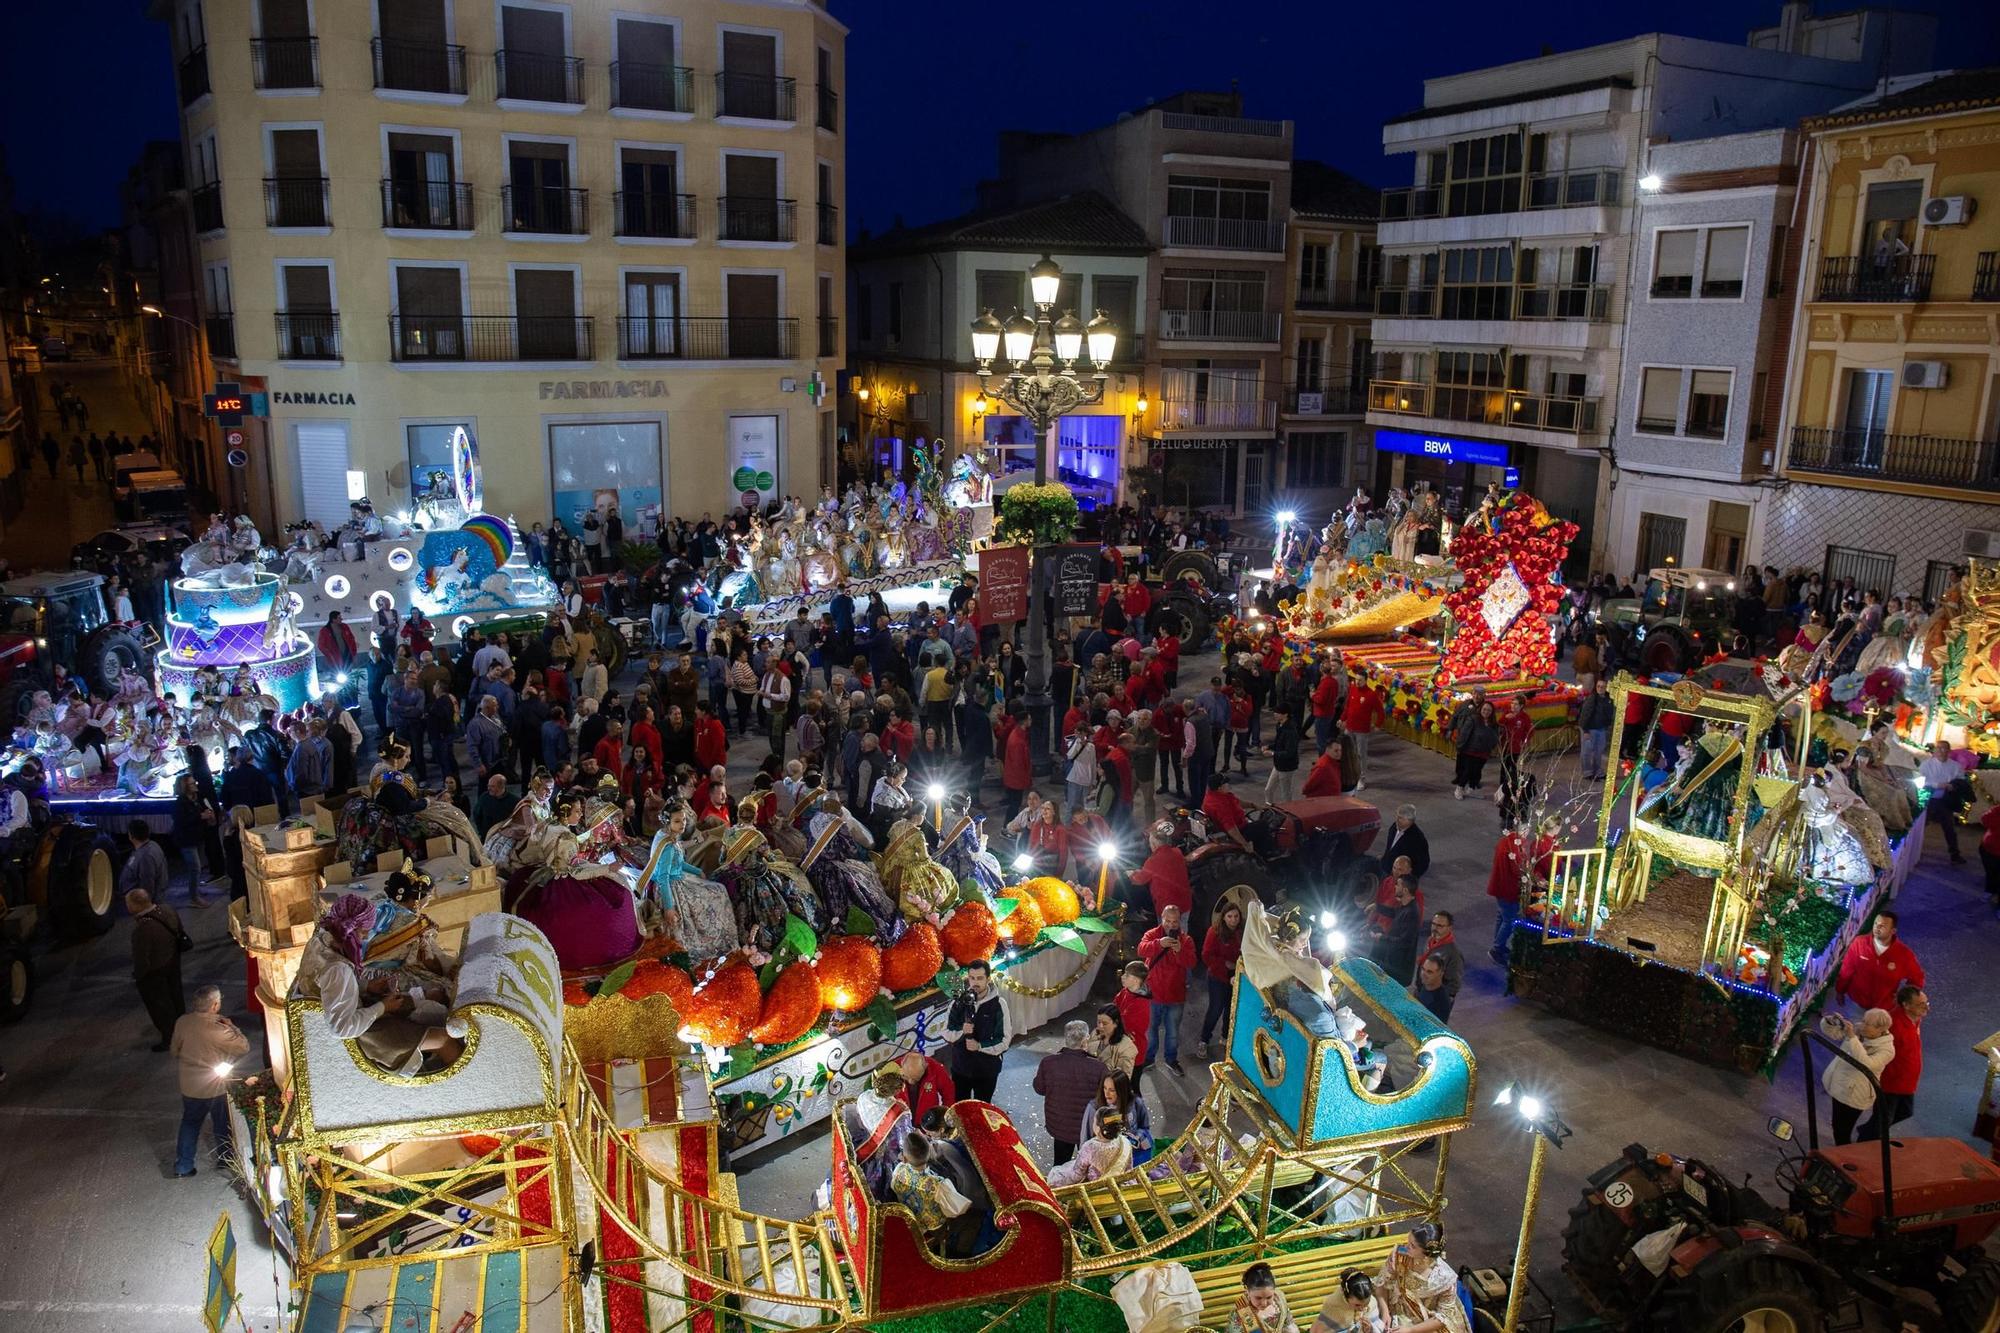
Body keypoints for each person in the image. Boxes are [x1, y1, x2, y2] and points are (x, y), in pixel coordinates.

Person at [169, 984, 248, 1177]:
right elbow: (243, 1047)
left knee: (190, 1123)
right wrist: (232, 1026)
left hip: (190, 1085)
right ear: (214, 1005)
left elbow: (174, 1050)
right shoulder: (220, 1028)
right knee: (222, 1123)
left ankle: (183, 1166)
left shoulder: (182, 1022)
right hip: (216, 1086)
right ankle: (226, 1159)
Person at [1032, 1019, 1109, 1166]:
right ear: (1085, 1040)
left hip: (1059, 1125)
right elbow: (1106, 1098)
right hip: (1088, 1128)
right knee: (1088, 1166)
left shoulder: (1049, 1063)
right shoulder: (1098, 1067)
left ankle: (1059, 1187)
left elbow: (1039, 1088)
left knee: (1060, 1165)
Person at [1859, 984, 1927, 1138]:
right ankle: (1864, 1143)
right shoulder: (1894, 1025)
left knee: (1904, 1112)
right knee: (1882, 1121)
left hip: (1906, 1083)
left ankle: (1867, 1131)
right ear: (1906, 1005)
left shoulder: (1915, 1019)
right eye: (1921, 1004)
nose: (1926, 1008)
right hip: (1891, 1083)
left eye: (1926, 1003)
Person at [1820, 1008, 1895, 1146]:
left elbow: (1866, 1064)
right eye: (1864, 1021)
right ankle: (1840, 1157)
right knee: (1837, 1127)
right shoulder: (1861, 1030)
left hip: (1856, 1094)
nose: (1862, 1025)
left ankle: (1842, 1159)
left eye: (1868, 1024)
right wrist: (1830, 1022)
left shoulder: (1887, 1050)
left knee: (1843, 1131)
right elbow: (1834, 1034)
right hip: (1841, 1085)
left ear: (1881, 1029)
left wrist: (1853, 1038)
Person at [1138, 904, 1196, 1076]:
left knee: (1172, 1032)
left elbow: (1191, 963)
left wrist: (1180, 951)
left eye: (1175, 921)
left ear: (1180, 922)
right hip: (1153, 993)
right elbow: (1141, 950)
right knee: (1151, 1030)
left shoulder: (1186, 940)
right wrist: (1159, 944)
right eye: (1168, 921)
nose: (1171, 925)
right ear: (1162, 919)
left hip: (1175, 996)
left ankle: (1171, 1060)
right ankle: (1149, 1059)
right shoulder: (1152, 935)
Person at [128, 888, 187, 1051]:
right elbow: (180, 930)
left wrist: (139, 977)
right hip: (173, 962)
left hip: (155, 972)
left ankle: (169, 1038)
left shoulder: (142, 929)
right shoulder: (168, 910)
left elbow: (141, 958)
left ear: (134, 906)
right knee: (176, 998)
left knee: (161, 1007)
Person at [944, 959, 1010, 1104]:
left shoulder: (999, 1005)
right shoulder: (957, 1003)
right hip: (960, 1069)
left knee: (983, 1108)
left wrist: (980, 1046)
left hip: (987, 1071)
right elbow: (946, 1033)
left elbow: (1005, 1041)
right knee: (960, 1108)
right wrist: (962, 1030)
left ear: (988, 978)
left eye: (980, 978)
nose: (975, 982)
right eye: (972, 978)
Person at [1835, 910, 1924, 1012]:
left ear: (1893, 931)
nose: (1877, 927)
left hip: (1883, 1010)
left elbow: (1917, 977)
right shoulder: (1859, 943)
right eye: (1876, 923)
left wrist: (1904, 999)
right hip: (1857, 1004)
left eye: (1883, 926)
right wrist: (1840, 991)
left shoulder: (1904, 954)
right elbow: (1846, 970)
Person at [889, 1131, 970, 1241]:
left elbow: (894, 1188)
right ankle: (957, 1249)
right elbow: (956, 1210)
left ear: (904, 1157)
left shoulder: (898, 1170)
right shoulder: (938, 1183)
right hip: (935, 1228)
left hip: (911, 1222)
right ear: (929, 1153)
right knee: (973, 1217)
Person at [1198, 899, 1244, 1058]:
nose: (1233, 920)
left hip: (1235, 977)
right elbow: (1206, 955)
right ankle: (1204, 1040)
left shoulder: (1241, 932)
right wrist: (1225, 965)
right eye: (1230, 916)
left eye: (1236, 916)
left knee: (1230, 1009)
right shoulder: (1215, 932)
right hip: (1217, 977)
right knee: (1215, 1009)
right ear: (1223, 917)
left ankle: (1225, 1037)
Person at [1047, 1106, 1132, 1188]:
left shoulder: (1090, 1147)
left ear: (1098, 1127)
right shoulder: (1125, 1142)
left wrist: (1056, 1178)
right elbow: (1128, 1169)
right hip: (1119, 1183)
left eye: (1094, 1121)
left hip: (1097, 1188)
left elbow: (1077, 1175)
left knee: (1056, 1173)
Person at [1081, 1069, 1153, 1165]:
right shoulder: (1094, 1107)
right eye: (1105, 1088)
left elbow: (1145, 1127)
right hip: (1103, 1162)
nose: (1106, 1094)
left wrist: (1137, 1138)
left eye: (1112, 1090)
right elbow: (1085, 1139)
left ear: (1122, 1090)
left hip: (1131, 1159)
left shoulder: (1136, 1103)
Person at [1918, 740, 1971, 864]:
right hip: (1928, 800)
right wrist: (1937, 785)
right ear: (1935, 750)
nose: (1942, 751)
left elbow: (1961, 781)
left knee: (1949, 828)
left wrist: (1953, 786)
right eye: (1939, 748)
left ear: (1949, 751)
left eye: (1945, 749)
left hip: (1945, 801)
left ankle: (1955, 854)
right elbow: (1920, 780)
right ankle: (1913, 851)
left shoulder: (1955, 766)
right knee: (1920, 826)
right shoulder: (1926, 765)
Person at [1129, 821, 1192, 922]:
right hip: (1184, 904)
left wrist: (1131, 874)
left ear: (1154, 844)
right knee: (1182, 933)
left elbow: (1139, 880)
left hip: (1167, 907)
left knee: (1166, 934)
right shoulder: (1177, 852)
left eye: (1150, 843)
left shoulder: (1153, 860)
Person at [1369, 876, 1422, 985]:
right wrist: (1377, 907)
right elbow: (1394, 913)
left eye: (1398, 885)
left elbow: (1405, 942)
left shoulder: (1411, 913)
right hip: (1393, 964)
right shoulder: (1405, 907)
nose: (1395, 887)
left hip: (1399, 970)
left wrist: (1381, 937)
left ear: (1405, 890)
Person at [1228, 1262, 1301, 1333]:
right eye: (1258, 1298)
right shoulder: (1242, 1310)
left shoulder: (1278, 1298)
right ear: (1247, 1291)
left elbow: (1289, 1324)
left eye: (1269, 1297)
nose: (1264, 1303)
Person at [1340, 673, 1382, 791]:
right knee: (1347, 752)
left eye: (1360, 680)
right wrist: (1342, 718)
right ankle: (1348, 776)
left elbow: (1380, 711)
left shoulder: (1371, 695)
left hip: (1362, 731)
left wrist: (1378, 724)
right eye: (1356, 680)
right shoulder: (1353, 689)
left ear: (1366, 680)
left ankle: (1361, 778)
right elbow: (1348, 707)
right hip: (1349, 728)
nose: (1357, 682)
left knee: (1361, 755)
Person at [1450, 699, 1499, 799]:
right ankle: (1459, 788)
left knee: (1477, 771)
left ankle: (1471, 789)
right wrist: (1460, 747)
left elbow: (1495, 736)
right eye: (1484, 709)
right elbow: (1464, 734)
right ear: (1481, 709)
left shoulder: (1493, 723)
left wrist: (1491, 746)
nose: (1486, 712)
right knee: (1467, 771)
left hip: (1484, 752)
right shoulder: (1473, 719)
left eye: (1489, 710)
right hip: (1470, 750)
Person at [1415, 911, 1463, 1006]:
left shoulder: (1453, 953)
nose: (1435, 928)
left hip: (1434, 1000)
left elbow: (1454, 985)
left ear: (1449, 928)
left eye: (1440, 926)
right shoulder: (1430, 940)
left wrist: (1439, 1000)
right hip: (1422, 991)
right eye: (1433, 924)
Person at [119, 819, 172, 903]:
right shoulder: (152, 845)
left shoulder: (146, 856)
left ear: (131, 836)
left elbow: (147, 885)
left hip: (141, 904)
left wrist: (145, 906)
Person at [1576, 677, 1614, 783]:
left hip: (1601, 729)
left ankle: (1597, 772)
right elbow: (1585, 715)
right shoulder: (1592, 698)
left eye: (1602, 687)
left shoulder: (1608, 699)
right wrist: (1586, 730)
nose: (1600, 688)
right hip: (1590, 729)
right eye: (1598, 686)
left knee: (1598, 752)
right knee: (1587, 752)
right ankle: (1587, 772)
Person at [1379, 805, 1430, 883]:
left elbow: (1423, 862)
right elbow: (1389, 848)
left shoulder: (1417, 839)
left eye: (1401, 818)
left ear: (1410, 821)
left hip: (1400, 878)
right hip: (1387, 869)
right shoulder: (1394, 827)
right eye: (1397, 816)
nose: (1397, 820)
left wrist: (1410, 879)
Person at [1086, 1004, 1138, 1079]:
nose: (1100, 1026)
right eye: (1098, 1022)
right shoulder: (1095, 1033)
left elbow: (1122, 1079)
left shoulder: (1126, 1047)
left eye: (1105, 1023)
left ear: (1116, 1023)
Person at [1412, 954, 1454, 1022]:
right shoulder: (1425, 985)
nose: (1423, 974)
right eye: (1423, 969)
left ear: (1440, 974)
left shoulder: (1441, 1002)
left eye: (1429, 972)